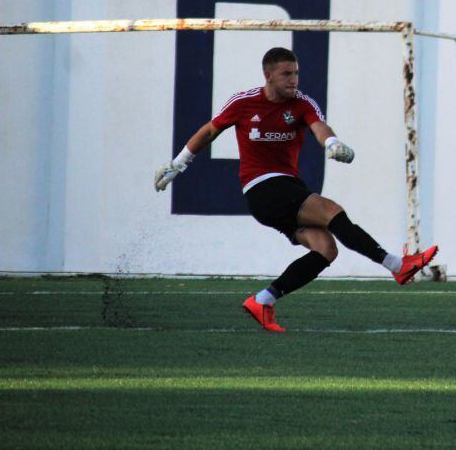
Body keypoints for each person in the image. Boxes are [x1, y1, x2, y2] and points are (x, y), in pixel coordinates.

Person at [154, 46, 438, 332]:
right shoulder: (244, 103)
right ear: (268, 75)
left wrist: (331, 143)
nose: (293, 80)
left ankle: (263, 300)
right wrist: (177, 165)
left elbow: (319, 126)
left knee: (326, 249)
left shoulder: (302, 104)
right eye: (286, 74)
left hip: (286, 189)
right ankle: (397, 266)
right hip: (262, 187)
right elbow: (209, 131)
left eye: (296, 73)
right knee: (331, 211)